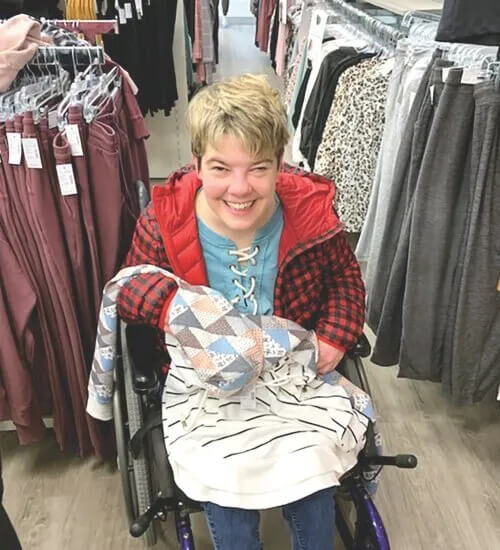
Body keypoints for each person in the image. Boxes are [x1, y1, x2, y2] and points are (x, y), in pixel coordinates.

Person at [116, 74, 365, 550]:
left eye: (258, 168)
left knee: (313, 471)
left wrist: (333, 336)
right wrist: (175, 305)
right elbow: (131, 289)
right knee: (225, 483)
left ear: (280, 165)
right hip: (209, 381)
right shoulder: (166, 220)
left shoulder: (311, 215)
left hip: (291, 372)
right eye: (220, 168)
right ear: (196, 164)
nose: (239, 188)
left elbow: (345, 283)